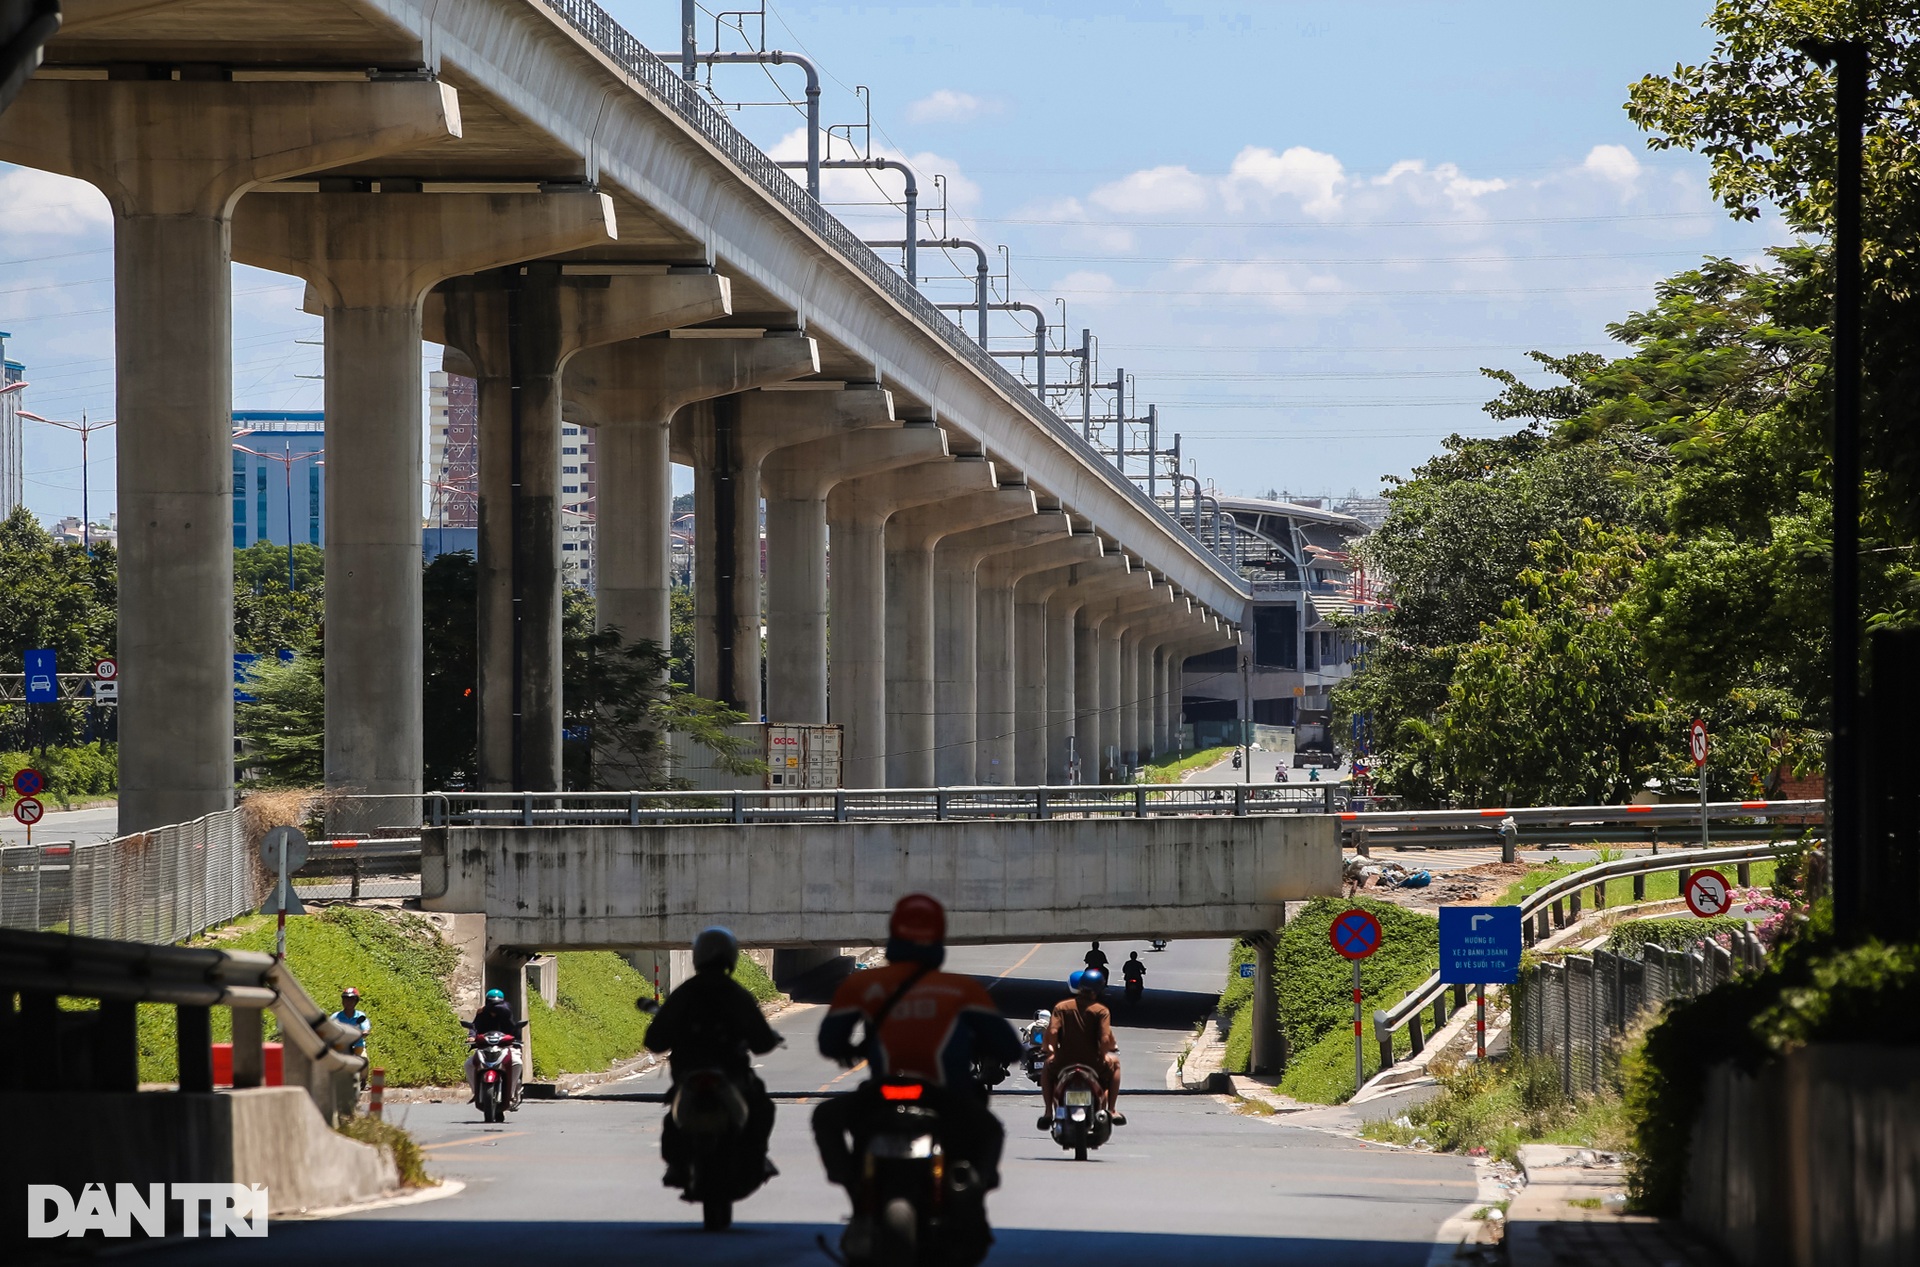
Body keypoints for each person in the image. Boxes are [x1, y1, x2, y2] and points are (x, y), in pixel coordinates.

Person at [815, 893, 1023, 1192]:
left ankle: (850, 1179)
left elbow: (830, 1042)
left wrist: (849, 1052)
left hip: (882, 1092)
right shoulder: (962, 989)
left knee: (826, 1116)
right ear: (938, 936)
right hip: (947, 1095)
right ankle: (972, 1194)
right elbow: (1009, 1047)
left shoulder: (862, 984)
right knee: (990, 1131)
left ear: (894, 933)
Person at [642, 926, 782, 1191]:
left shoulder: (684, 994)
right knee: (763, 1107)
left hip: (689, 1074)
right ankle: (757, 1157)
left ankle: (677, 1165)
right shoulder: (737, 995)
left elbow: (655, 1041)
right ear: (731, 957)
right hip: (731, 1074)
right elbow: (762, 1043)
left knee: (672, 1116)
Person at [1040, 968, 1124, 1129]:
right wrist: (1104, 1052)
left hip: (1063, 1061)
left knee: (1046, 1067)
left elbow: (1052, 1031)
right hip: (1093, 1063)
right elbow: (1106, 1039)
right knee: (1116, 1064)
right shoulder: (1101, 1010)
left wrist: (1050, 1050)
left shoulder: (1062, 1007)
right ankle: (1112, 1109)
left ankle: (1048, 1113)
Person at [466, 987, 523, 1102]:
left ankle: (511, 1093)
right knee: (469, 1065)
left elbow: (509, 1021)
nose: (494, 1007)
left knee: (517, 1062)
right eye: (491, 1003)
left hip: (506, 1045)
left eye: (497, 1003)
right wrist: (472, 1036)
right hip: (485, 1046)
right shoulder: (481, 1013)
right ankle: (476, 1092)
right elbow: (474, 1026)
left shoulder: (506, 1011)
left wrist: (515, 1041)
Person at [332, 987, 371, 1055]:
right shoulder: (336, 1016)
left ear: (356, 1002)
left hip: (357, 1047)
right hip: (340, 1047)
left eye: (351, 1000)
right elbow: (327, 1028)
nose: (348, 1002)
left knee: (363, 1061)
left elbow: (365, 1028)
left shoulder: (360, 1016)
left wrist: (364, 1032)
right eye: (346, 999)